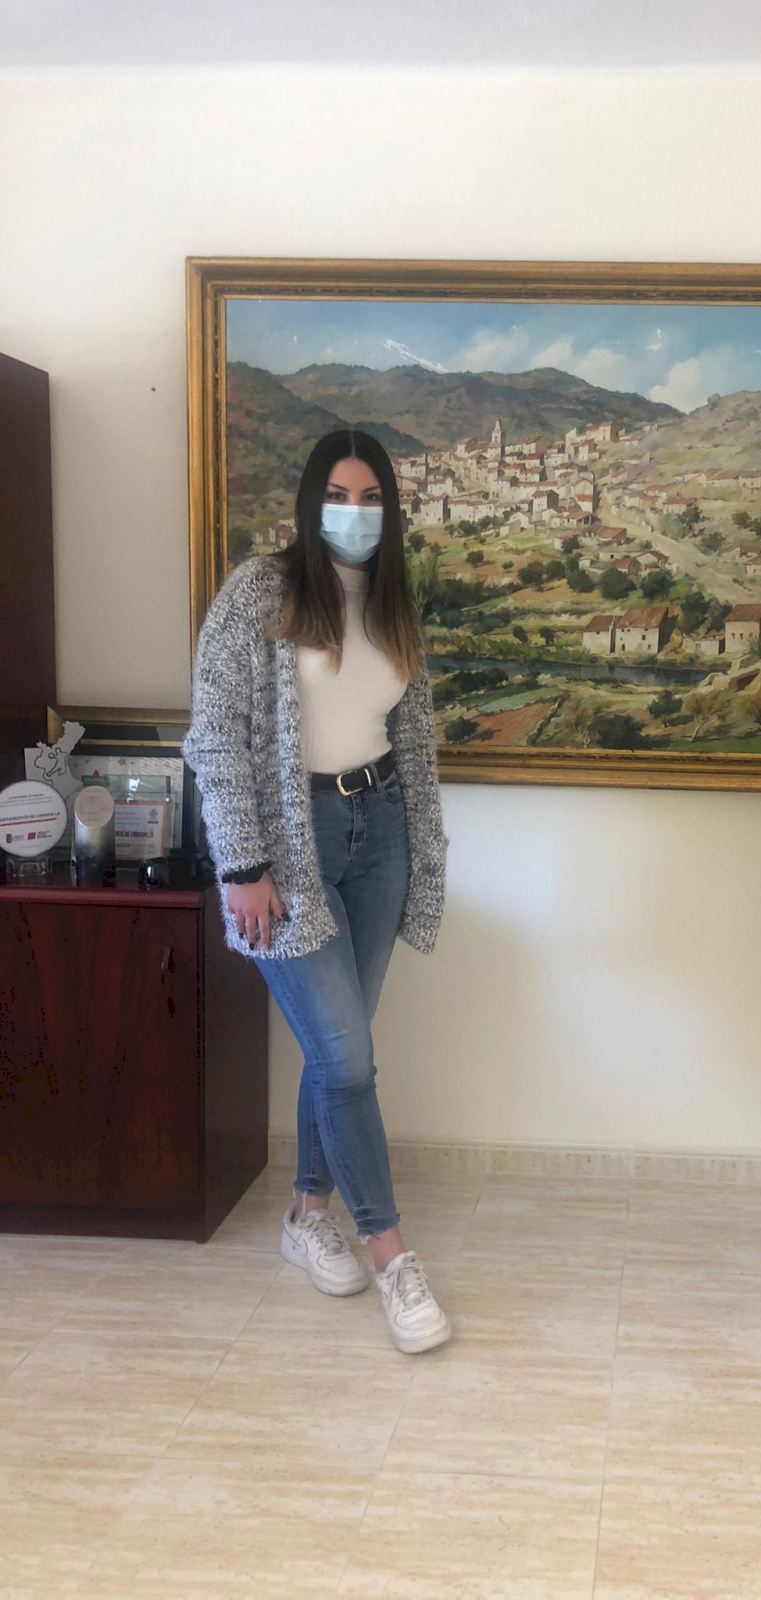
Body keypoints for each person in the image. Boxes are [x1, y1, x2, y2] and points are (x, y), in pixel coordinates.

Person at [184, 428, 451, 1355]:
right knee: (344, 1058)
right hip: (290, 842)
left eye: (371, 497)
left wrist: (420, 848)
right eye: (338, 495)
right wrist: (241, 866)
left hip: (379, 832)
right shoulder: (259, 591)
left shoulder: (393, 600)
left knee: (340, 1047)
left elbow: (408, 733)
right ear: (310, 502)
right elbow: (214, 735)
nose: (354, 512)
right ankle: (392, 1255)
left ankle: (305, 1214)